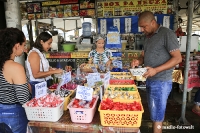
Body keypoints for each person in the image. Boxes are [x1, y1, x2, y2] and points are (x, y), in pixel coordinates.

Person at [131, 11, 182, 133]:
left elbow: (177, 58)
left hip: (161, 81)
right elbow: (143, 55)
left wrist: (156, 70)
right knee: (154, 113)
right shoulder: (148, 37)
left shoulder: (166, 34)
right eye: (141, 27)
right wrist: (138, 61)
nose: (142, 29)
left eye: (144, 27)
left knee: (158, 116)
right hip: (151, 80)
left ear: (153, 22)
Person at [0, 28, 32, 133]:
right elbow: (23, 99)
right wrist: (29, 89)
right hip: (13, 114)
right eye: (23, 45)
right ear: (17, 46)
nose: (24, 49)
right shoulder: (15, 67)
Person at [26, 32, 63, 97]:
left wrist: (50, 69)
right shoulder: (34, 54)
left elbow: (42, 69)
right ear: (41, 42)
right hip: (37, 85)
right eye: (49, 43)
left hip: (44, 83)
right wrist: (53, 71)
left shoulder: (41, 53)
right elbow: (36, 75)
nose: (50, 46)